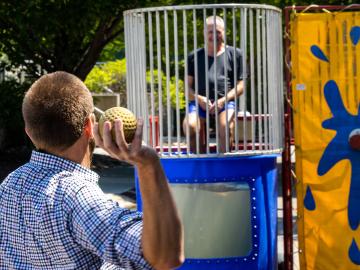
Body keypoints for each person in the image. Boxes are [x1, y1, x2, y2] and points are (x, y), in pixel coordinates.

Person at [0, 71, 184, 269]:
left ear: (29, 133)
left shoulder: (10, 184)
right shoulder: (77, 196)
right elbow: (165, 255)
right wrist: (148, 164)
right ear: (90, 125)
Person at [183, 16, 244, 153]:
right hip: (199, 102)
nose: (214, 35)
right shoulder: (194, 56)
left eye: (217, 31)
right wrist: (199, 99)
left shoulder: (235, 54)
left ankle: (225, 167)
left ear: (224, 32)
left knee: (226, 127)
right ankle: (199, 164)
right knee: (190, 126)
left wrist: (222, 100)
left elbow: (241, 86)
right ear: (204, 33)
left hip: (225, 102)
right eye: (210, 32)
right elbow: (187, 88)